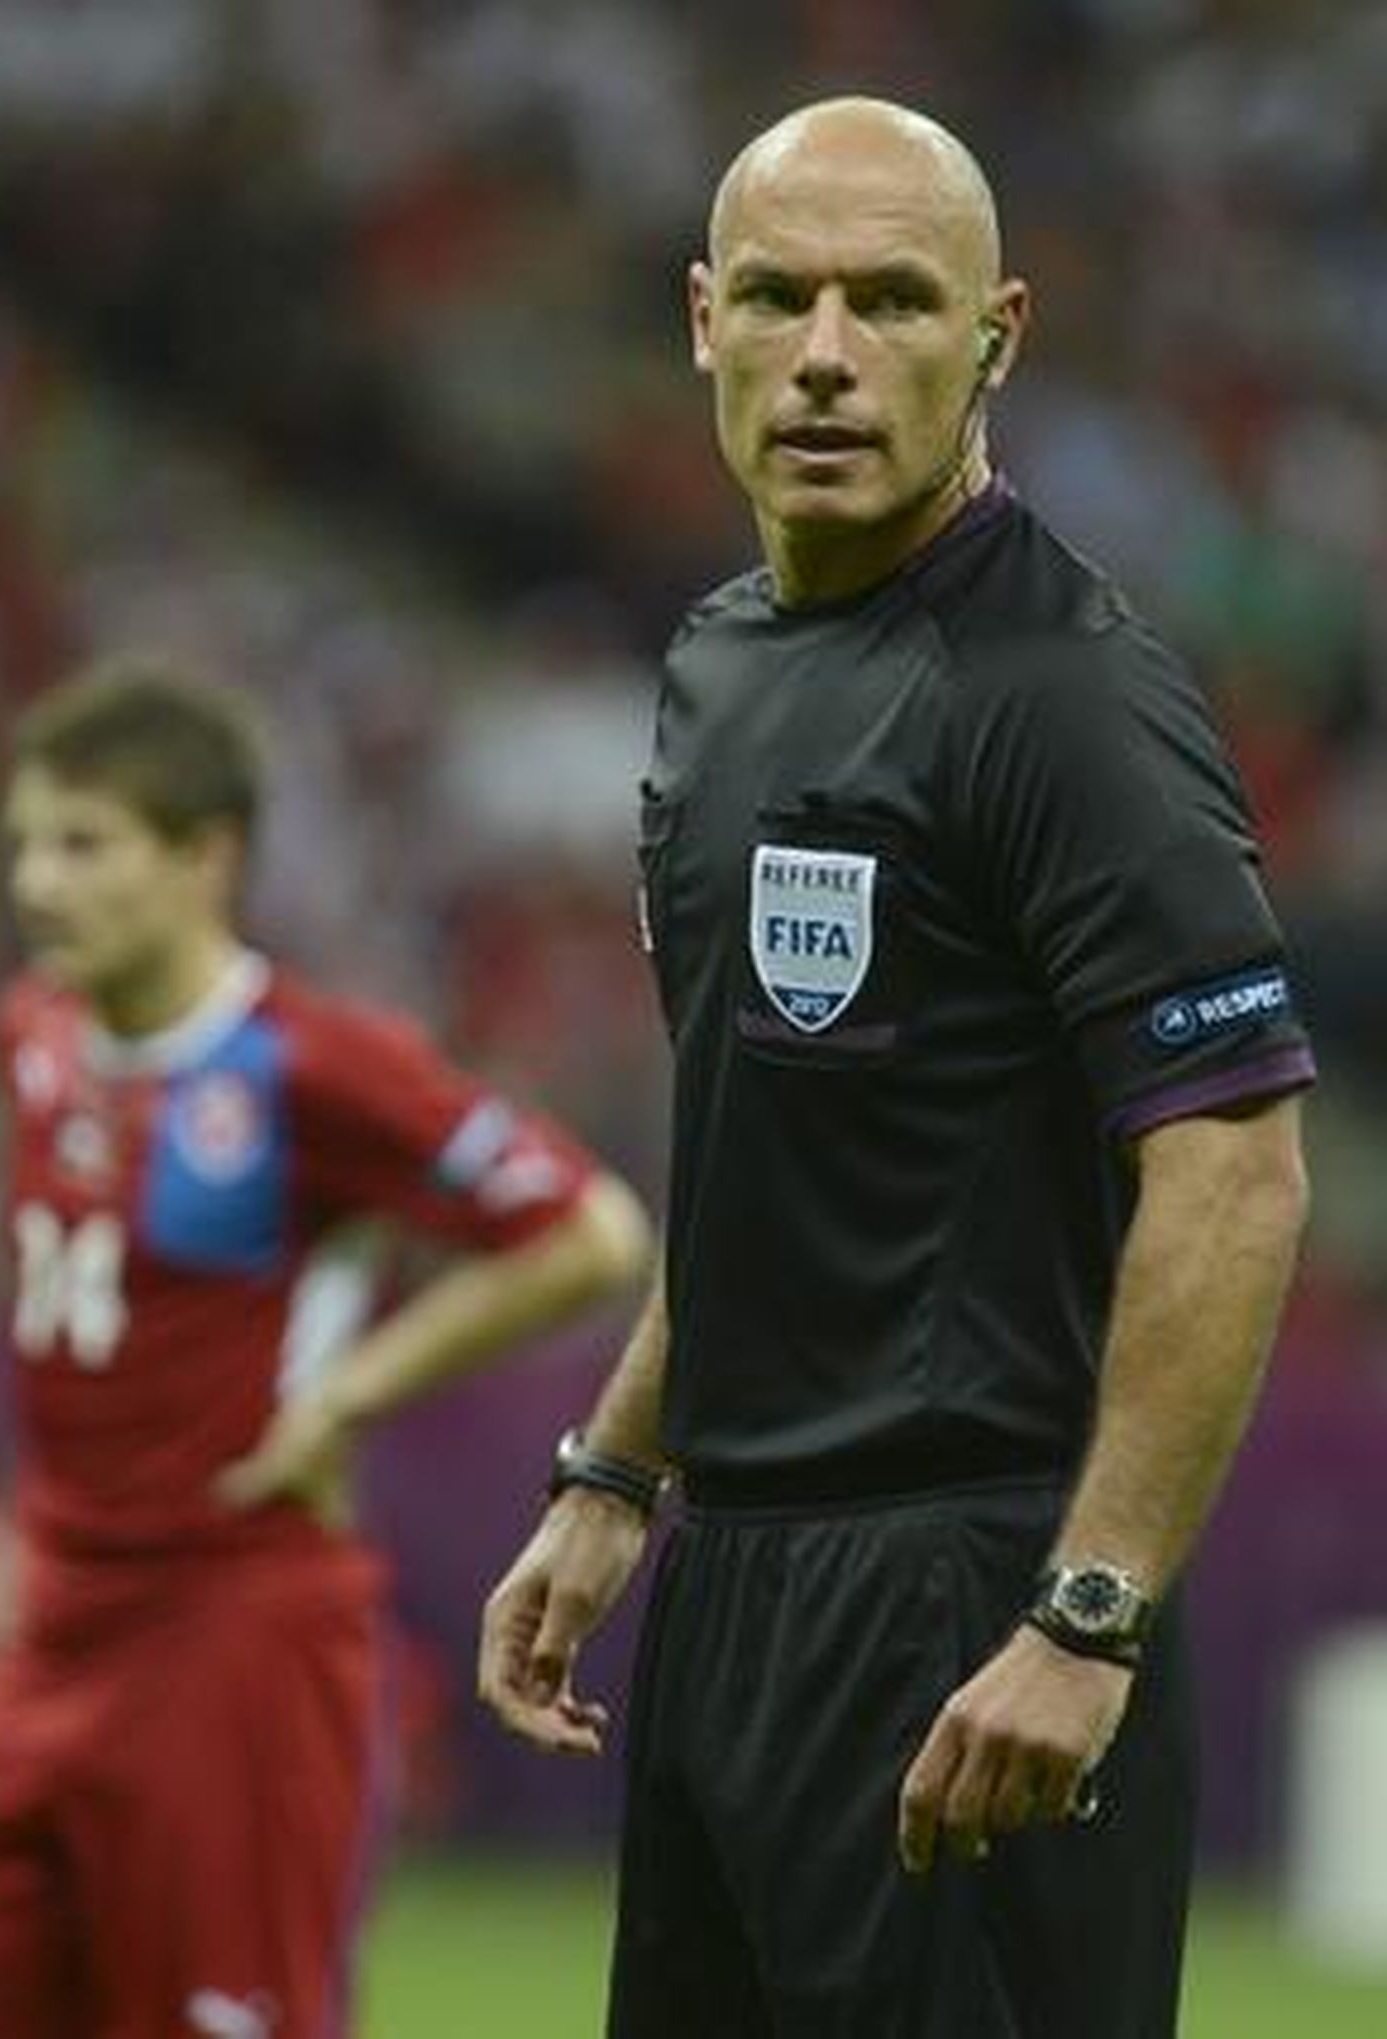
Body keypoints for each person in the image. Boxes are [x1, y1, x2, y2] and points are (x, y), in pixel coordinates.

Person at [479, 96, 1313, 2039]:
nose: (827, 355)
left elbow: (1233, 1168)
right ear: (700, 320)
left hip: (967, 1603)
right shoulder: (716, 668)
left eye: (891, 302)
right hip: (730, 1588)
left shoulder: (1069, 702)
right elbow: (766, 1129)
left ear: (996, 335)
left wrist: (1083, 1616)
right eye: (776, 297)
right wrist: (618, 1469)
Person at [0, 663, 651, 2039]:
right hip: (53, 1641)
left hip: (236, 1641)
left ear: (205, 856)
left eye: (87, 845)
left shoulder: (310, 1067)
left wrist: (351, 1391)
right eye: (28, 842)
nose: (41, 882)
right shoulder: (31, 1033)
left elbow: (589, 1229)